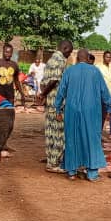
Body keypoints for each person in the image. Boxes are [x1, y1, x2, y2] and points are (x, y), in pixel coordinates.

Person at [53, 49, 111, 182]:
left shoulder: (69, 71)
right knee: (92, 139)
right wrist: (108, 107)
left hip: (71, 110)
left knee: (72, 138)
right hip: (91, 111)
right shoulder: (95, 71)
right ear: (87, 58)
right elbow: (105, 92)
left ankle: (72, 172)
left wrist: (57, 109)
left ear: (77, 58)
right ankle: (92, 173)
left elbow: (61, 91)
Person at [39, 40, 73, 173]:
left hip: (49, 102)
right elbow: (54, 80)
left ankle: (50, 159)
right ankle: (54, 163)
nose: (69, 54)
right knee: (59, 134)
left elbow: (44, 81)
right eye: (69, 52)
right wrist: (43, 94)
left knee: (50, 132)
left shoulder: (50, 60)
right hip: (57, 103)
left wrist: (43, 94)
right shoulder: (60, 61)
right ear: (65, 48)